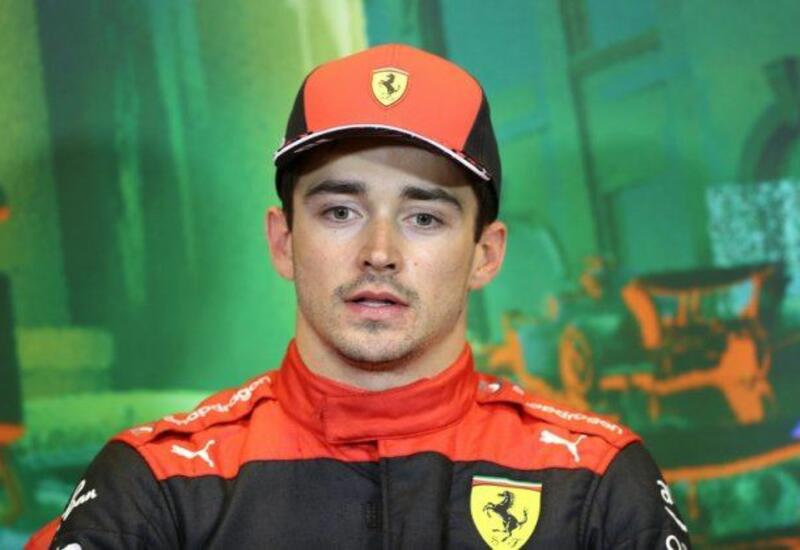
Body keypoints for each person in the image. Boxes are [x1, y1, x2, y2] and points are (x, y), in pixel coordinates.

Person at [28, 43, 691, 549]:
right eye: (340, 211)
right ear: (283, 240)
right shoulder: (159, 485)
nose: (379, 251)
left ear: (485, 255)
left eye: (423, 217)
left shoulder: (598, 481)